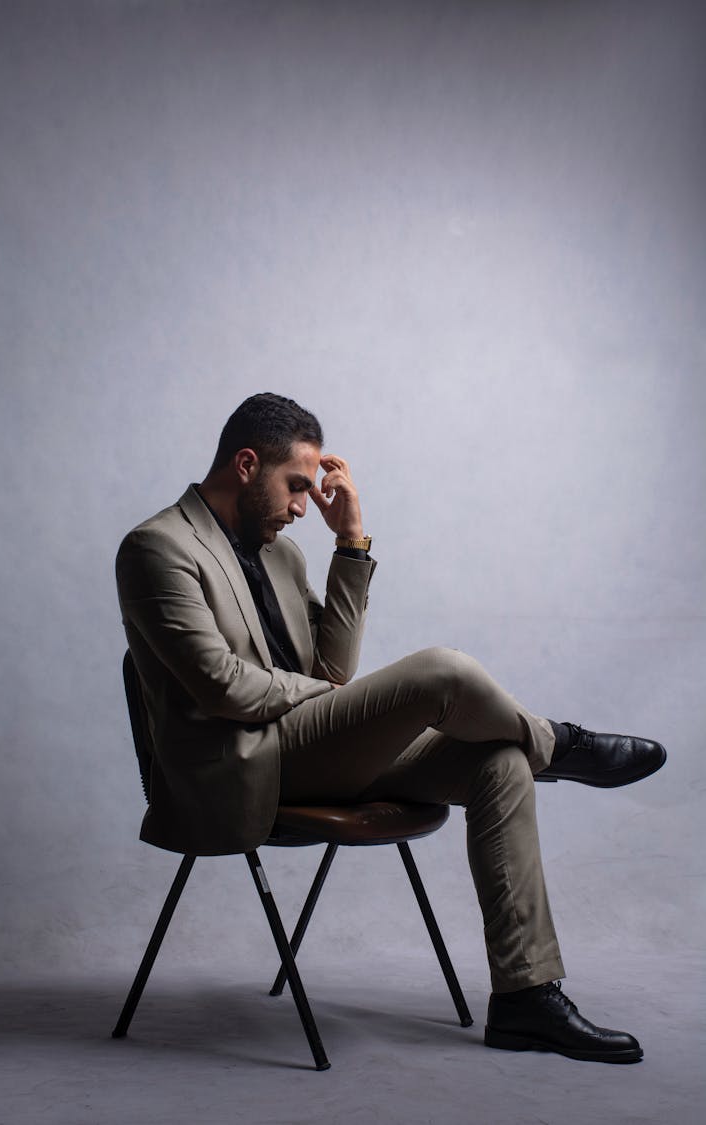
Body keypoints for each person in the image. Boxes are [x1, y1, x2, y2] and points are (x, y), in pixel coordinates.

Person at [115, 392, 666, 1064]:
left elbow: (334, 670)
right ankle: (559, 741)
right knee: (441, 671)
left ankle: (525, 998)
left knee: (500, 763)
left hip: (316, 747)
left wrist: (350, 541)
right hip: (241, 766)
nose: (299, 506)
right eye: (294, 485)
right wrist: (319, 696)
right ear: (246, 462)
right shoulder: (156, 547)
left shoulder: (282, 555)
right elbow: (222, 686)